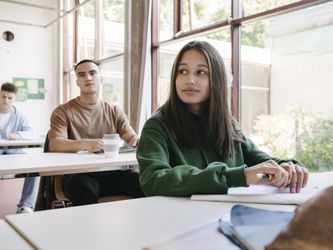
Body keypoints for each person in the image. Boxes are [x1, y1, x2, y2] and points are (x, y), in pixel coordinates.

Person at [137, 40, 308, 197]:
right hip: (179, 220)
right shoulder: (157, 126)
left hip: (229, 215)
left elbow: (259, 160)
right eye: (182, 71)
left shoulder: (227, 124)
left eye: (201, 72)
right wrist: (238, 176)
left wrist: (287, 166)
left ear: (216, 80)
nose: (189, 80)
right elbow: (153, 179)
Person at [48, 59, 144, 205]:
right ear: (77, 82)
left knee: (145, 184)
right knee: (85, 191)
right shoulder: (63, 111)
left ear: (100, 78)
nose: (88, 78)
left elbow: (131, 137)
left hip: (112, 173)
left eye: (92, 73)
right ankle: (88, 228)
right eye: (82, 75)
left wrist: (138, 141)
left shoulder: (114, 111)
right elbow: (55, 143)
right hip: (77, 175)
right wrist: (85, 144)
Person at [0, 82, 39, 213]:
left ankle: (25, 205)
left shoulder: (20, 115)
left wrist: (19, 134)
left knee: (35, 169)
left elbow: (33, 134)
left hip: (15, 155)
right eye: (3, 96)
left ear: (14, 99)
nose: (6, 100)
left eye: (9, 98)